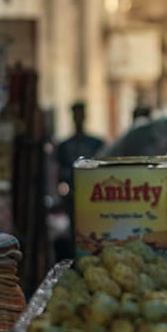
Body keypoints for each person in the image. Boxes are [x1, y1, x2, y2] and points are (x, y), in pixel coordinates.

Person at [54, 103, 104, 257]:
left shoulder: (95, 144)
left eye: (80, 114)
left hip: (93, 195)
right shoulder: (64, 146)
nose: (78, 118)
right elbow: (59, 173)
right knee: (75, 231)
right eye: (76, 115)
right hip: (73, 196)